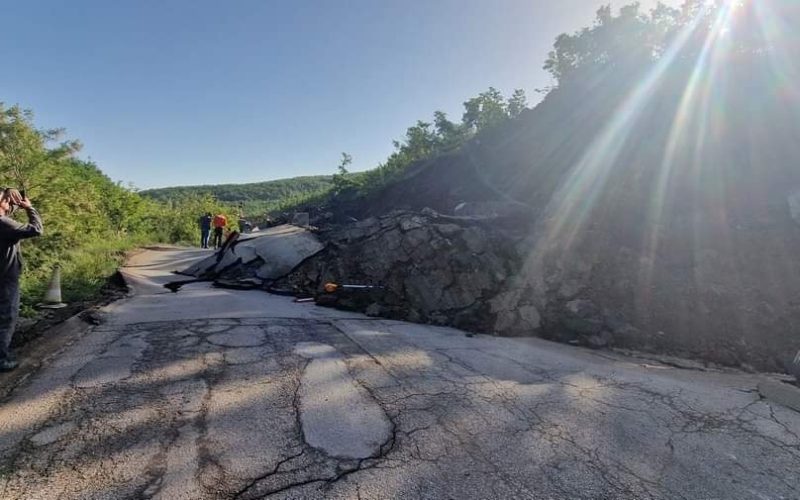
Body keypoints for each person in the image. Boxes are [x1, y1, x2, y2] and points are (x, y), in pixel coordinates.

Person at [0, 188, 43, 372]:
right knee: (6, 318)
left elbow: (9, 215)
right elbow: (36, 229)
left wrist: (11, 194)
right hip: (6, 279)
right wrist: (30, 208)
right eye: (6, 200)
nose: (9, 203)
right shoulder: (3, 224)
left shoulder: (4, 222)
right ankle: (2, 360)